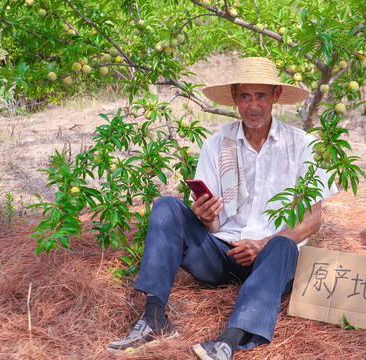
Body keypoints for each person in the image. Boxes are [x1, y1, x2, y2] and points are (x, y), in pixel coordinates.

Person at [107, 57, 338, 359]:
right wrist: (206, 217)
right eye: (245, 96)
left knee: (283, 245)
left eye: (261, 96)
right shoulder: (218, 144)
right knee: (166, 206)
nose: (253, 105)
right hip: (222, 254)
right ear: (234, 99)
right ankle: (154, 319)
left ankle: (229, 340)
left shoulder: (302, 145)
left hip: (271, 260)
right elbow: (213, 225)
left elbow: (312, 220)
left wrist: (262, 244)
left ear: (276, 97)